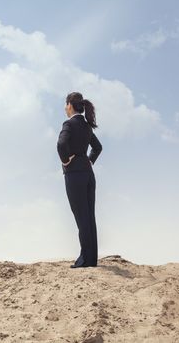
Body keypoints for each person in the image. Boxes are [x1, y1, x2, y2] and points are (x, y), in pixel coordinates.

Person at [57, 91, 102, 268]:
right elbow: (97, 147)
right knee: (89, 216)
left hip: (74, 175)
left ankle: (84, 260)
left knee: (81, 217)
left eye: (65, 104)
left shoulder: (69, 124)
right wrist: (89, 160)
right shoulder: (86, 126)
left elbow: (61, 145)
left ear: (69, 105)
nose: (64, 107)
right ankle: (91, 259)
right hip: (89, 175)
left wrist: (66, 160)